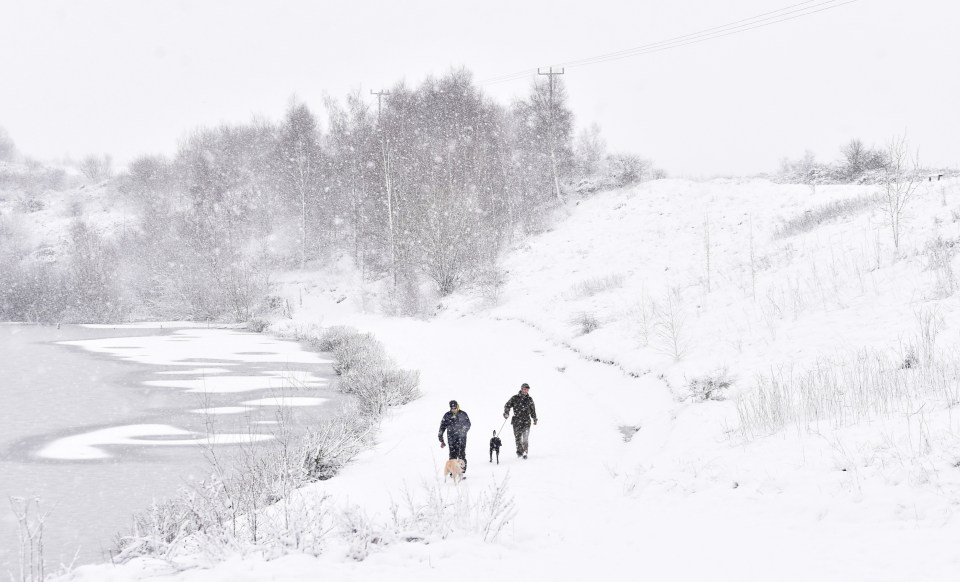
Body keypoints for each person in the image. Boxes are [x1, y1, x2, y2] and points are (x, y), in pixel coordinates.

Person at [503, 382, 538, 459]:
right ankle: (519, 453)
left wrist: (534, 418)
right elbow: (507, 405)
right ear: (521, 389)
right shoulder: (515, 398)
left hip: (526, 421)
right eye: (525, 389)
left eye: (527, 389)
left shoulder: (529, 399)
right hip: (516, 421)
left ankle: (525, 452)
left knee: (525, 438)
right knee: (518, 438)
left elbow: (533, 410)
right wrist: (506, 413)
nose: (526, 391)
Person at [438, 400, 471, 475]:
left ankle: (461, 472)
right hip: (451, 438)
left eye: (455, 407)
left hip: (461, 438)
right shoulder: (447, 415)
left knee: (461, 455)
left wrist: (463, 430)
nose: (454, 409)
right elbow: (442, 426)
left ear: (457, 406)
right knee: (452, 456)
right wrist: (440, 436)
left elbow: (468, 424)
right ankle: (453, 472)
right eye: (452, 407)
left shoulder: (463, 414)